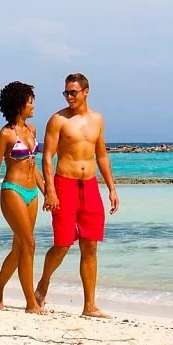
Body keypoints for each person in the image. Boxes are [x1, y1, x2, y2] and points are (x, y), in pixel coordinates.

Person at [36, 72, 119, 317]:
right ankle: (43, 284)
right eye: (66, 92)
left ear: (85, 92)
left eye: (73, 92)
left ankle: (89, 305)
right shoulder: (58, 120)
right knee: (62, 244)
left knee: (90, 245)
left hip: (90, 185)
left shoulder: (97, 119)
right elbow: (47, 157)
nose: (69, 97)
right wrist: (50, 191)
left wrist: (112, 188)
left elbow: (101, 155)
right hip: (65, 184)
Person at [0, 80, 46, 313]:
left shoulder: (32, 130)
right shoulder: (6, 134)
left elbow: (34, 166)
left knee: (20, 248)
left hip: (32, 193)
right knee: (30, 244)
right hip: (13, 191)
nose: (33, 106)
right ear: (19, 104)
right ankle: (31, 303)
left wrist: (47, 192)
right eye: (30, 102)